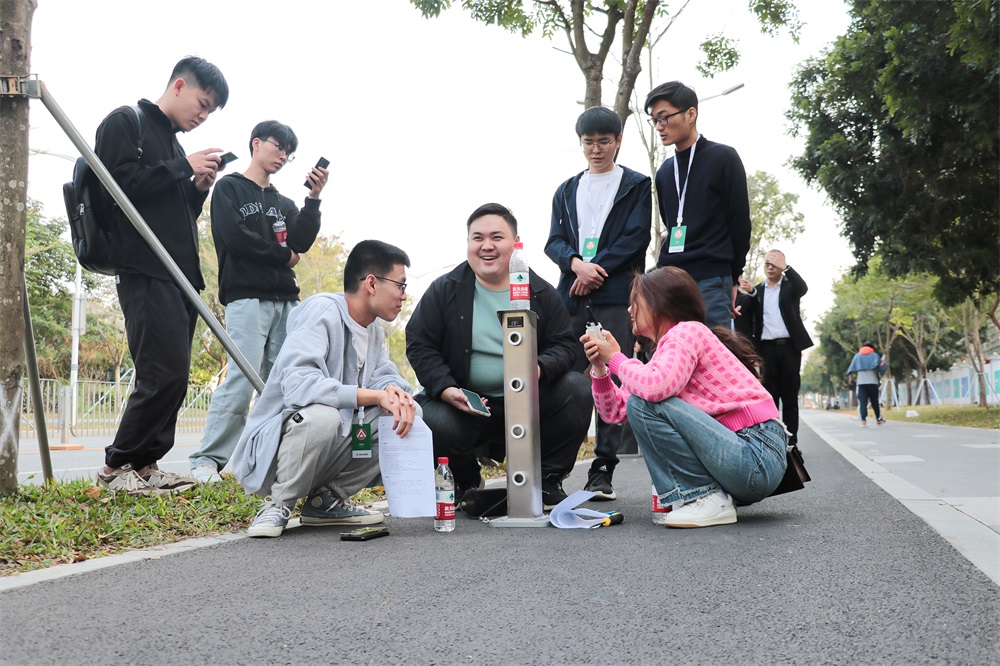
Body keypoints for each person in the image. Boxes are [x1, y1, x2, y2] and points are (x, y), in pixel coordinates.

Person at [95, 56, 230, 495]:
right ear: (178, 85)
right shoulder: (125, 122)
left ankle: (147, 464)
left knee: (174, 375)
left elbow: (174, 214)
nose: (202, 115)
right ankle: (117, 468)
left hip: (179, 275)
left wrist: (196, 190)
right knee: (161, 374)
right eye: (202, 103)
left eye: (210, 111)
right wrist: (181, 167)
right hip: (144, 269)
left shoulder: (174, 147)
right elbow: (118, 187)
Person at [406, 203, 593, 509]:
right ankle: (465, 480)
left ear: (516, 243)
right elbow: (419, 342)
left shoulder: (541, 292)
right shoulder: (444, 289)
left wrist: (539, 370)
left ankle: (546, 480)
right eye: (477, 238)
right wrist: (445, 387)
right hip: (469, 404)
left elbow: (564, 345)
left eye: (497, 237)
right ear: (468, 244)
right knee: (431, 416)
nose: (487, 246)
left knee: (576, 388)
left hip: (530, 400)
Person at [230, 240, 417, 538]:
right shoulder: (322, 311)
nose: (404, 296)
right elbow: (298, 383)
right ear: (371, 282)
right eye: (400, 285)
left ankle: (325, 500)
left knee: (408, 411)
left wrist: (395, 393)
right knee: (324, 416)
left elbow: (382, 375)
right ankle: (278, 503)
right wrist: (375, 396)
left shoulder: (373, 330)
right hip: (279, 450)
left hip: (327, 449)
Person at [581, 266, 788, 528]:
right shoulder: (666, 351)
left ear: (660, 304)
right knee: (640, 401)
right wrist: (601, 368)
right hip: (746, 458)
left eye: (635, 303)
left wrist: (617, 359)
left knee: (644, 400)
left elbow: (654, 389)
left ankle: (703, 496)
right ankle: (705, 496)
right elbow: (616, 412)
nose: (629, 310)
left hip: (755, 454)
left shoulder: (686, 332)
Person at [188, 120, 328, 484]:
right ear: (256, 144)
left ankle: (267, 460)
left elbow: (300, 241)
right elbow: (235, 238)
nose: (283, 155)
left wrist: (312, 199)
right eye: (278, 146)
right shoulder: (230, 188)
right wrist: (283, 256)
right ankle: (207, 460)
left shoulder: (283, 202)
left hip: (287, 300)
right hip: (246, 296)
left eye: (288, 151)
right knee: (241, 376)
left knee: (283, 382)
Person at [544, 106, 651, 501]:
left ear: (618, 141)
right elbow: (552, 241)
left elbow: (636, 238)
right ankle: (554, 471)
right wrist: (575, 265)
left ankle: (603, 469)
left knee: (613, 380)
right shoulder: (566, 189)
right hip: (569, 297)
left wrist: (594, 271)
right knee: (568, 381)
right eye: (589, 142)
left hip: (615, 296)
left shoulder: (636, 185)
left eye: (604, 142)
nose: (596, 149)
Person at [644, 81, 751, 328]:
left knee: (713, 356)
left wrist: (733, 276)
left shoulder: (724, 158)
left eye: (665, 118)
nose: (659, 127)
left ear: (691, 114)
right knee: (676, 359)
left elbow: (739, 222)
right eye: (655, 121)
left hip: (712, 279)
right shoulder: (664, 172)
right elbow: (671, 225)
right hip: (672, 284)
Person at [752, 250, 813, 445]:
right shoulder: (757, 291)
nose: (770, 267)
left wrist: (787, 267)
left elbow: (803, 288)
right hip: (766, 350)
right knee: (769, 397)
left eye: (775, 264)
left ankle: (791, 443)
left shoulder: (790, 287)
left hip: (789, 348)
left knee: (789, 397)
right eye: (767, 264)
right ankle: (773, 441)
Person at [847, 343, 886, 427]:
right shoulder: (874, 355)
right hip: (873, 382)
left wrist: (851, 378)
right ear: (871, 348)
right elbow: (882, 366)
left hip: (861, 383)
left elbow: (851, 368)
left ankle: (863, 420)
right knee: (875, 401)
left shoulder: (857, 356)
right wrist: (882, 370)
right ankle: (878, 419)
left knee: (863, 402)